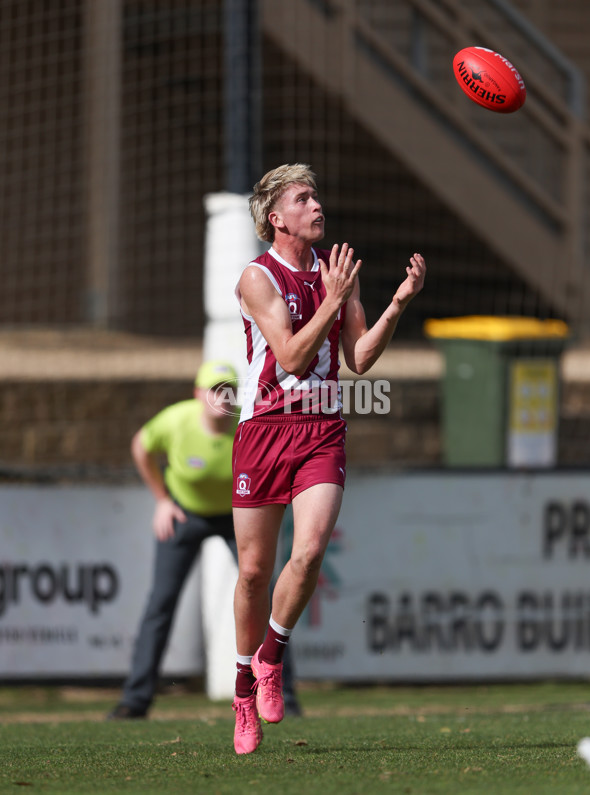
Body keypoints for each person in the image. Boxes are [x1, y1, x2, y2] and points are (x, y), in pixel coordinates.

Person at [230, 163, 427, 754]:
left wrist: (396, 303)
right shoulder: (256, 278)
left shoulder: (337, 274)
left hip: (320, 429)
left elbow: (359, 359)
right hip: (264, 428)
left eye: (316, 195)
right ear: (276, 217)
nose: (317, 205)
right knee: (254, 572)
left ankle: (272, 657)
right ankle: (243, 690)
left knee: (311, 549)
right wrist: (333, 299)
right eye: (303, 198)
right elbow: (289, 355)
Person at [107, 359, 301, 720]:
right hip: (186, 514)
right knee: (161, 603)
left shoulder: (251, 421)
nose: (221, 397)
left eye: (228, 389)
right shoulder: (176, 421)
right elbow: (140, 447)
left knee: (272, 596)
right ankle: (135, 700)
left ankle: (283, 693)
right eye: (213, 389)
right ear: (198, 394)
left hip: (237, 516)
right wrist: (163, 500)